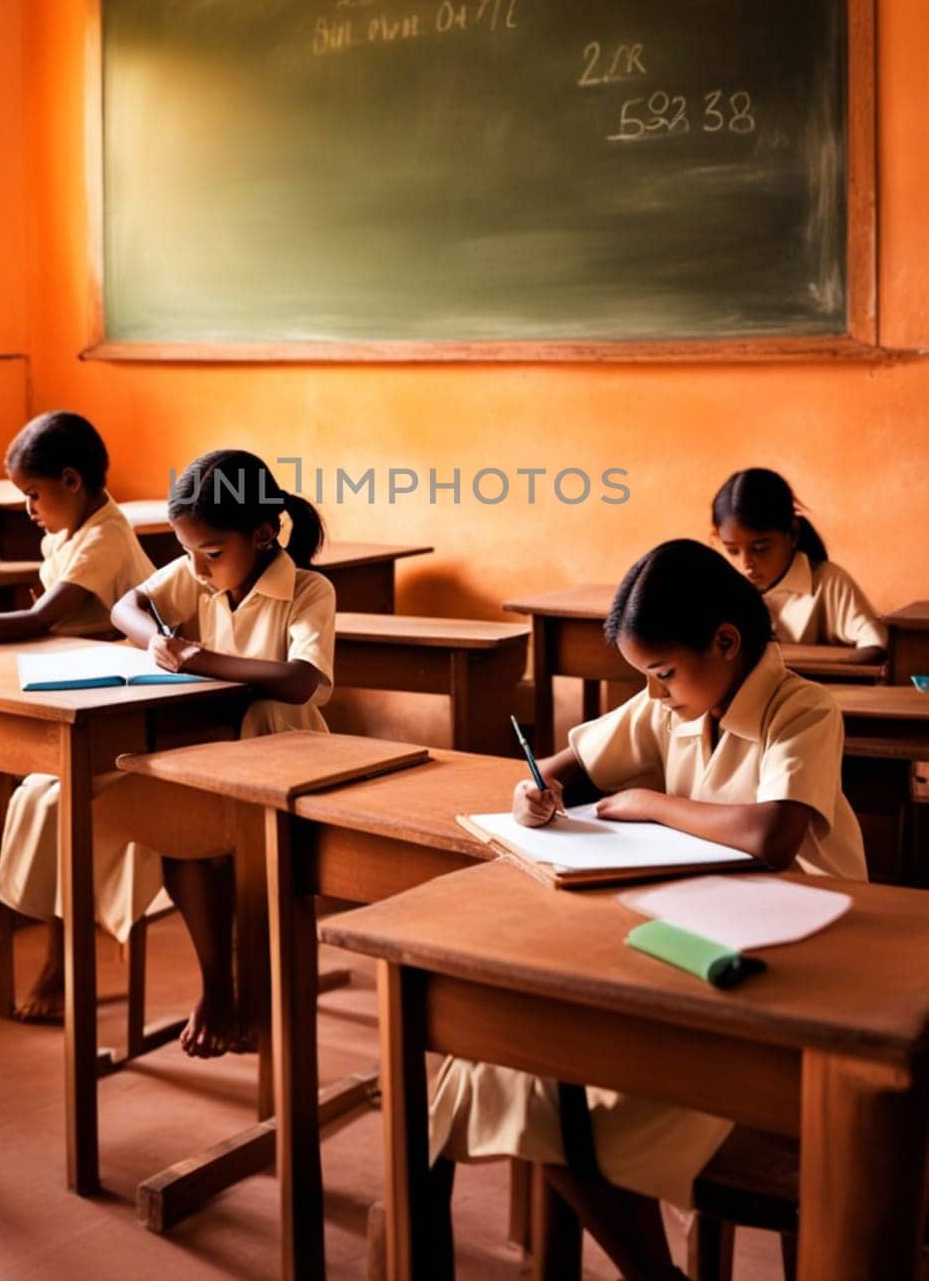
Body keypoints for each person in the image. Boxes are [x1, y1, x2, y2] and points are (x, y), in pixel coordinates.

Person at [429, 539, 867, 1281]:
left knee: (551, 1091)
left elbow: (770, 835)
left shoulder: (803, 710)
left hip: (799, 960)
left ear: (725, 642)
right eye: (646, 678)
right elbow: (568, 769)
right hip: (691, 932)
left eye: (662, 674)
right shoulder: (669, 701)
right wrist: (532, 793)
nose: (655, 693)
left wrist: (645, 803)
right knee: (497, 1070)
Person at [111, 447, 335, 1058]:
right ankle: (217, 985)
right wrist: (160, 638)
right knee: (178, 836)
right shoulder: (197, 569)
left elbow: (299, 681)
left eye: (210, 553)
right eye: (186, 552)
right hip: (212, 749)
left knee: (254, 872)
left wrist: (201, 660)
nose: (197, 568)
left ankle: (264, 1002)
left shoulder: (309, 589)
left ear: (264, 533)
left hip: (284, 755)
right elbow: (124, 606)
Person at [0, 410, 154, 1020]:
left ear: (71, 480)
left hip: (126, 710)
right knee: (33, 795)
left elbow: (43, 620)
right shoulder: (61, 536)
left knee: (58, 805)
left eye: (33, 495)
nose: (28, 508)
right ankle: (51, 947)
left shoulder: (106, 536)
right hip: (82, 700)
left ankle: (64, 960)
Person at [712, 467, 886, 662]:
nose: (745, 564)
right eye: (732, 551)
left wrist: (829, 669)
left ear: (793, 534)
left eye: (760, 548)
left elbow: (877, 643)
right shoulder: (719, 591)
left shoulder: (828, 583)